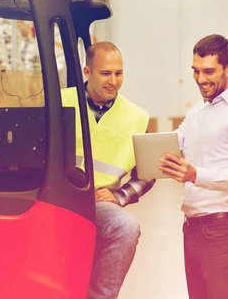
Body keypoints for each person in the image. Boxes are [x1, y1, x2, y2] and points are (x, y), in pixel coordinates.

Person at [158, 34, 228, 299]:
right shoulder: (199, 111)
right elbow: (173, 141)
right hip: (192, 228)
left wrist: (197, 175)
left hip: (223, 231)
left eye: (209, 71)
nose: (200, 79)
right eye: (195, 71)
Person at [60, 41, 155, 299]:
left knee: (127, 227)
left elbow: (147, 172)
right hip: (57, 197)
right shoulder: (60, 102)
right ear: (87, 72)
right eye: (106, 73)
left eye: (119, 73)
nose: (113, 81)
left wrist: (119, 196)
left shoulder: (136, 116)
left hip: (98, 202)